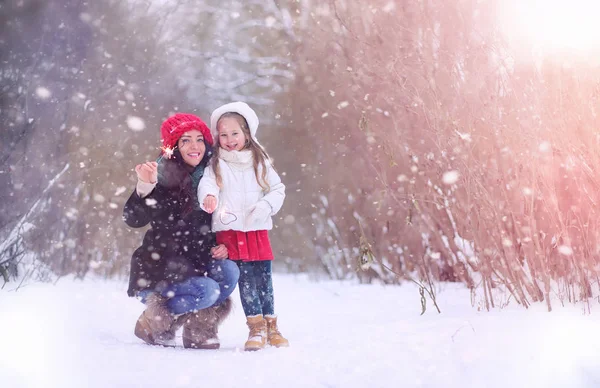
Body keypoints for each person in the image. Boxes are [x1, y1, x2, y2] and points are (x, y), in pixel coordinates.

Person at [123, 112, 240, 349]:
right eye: (185, 140)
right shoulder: (161, 175)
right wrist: (145, 186)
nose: (194, 146)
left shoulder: (212, 176)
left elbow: (223, 221)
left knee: (228, 270)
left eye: (199, 139)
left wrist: (223, 244)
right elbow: (133, 219)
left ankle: (199, 329)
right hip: (160, 271)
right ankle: (154, 320)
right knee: (208, 291)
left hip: (195, 263)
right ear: (173, 146)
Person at [198, 101, 289, 351]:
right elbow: (208, 184)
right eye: (223, 135)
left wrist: (266, 206)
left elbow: (278, 189)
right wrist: (209, 197)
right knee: (246, 280)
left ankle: (272, 325)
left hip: (257, 228)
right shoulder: (216, 163)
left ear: (246, 133)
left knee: (264, 279)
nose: (229, 139)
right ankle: (256, 328)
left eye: (234, 133)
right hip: (231, 230)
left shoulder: (260, 161)